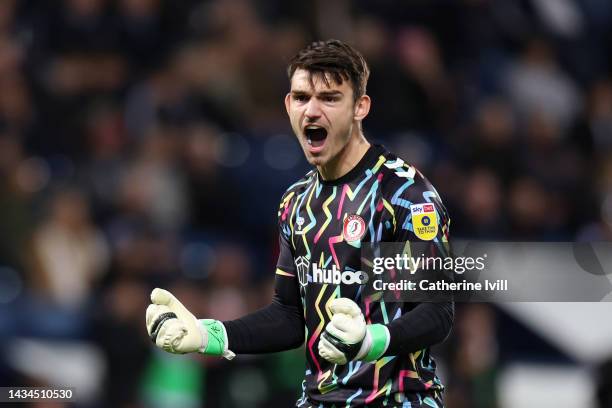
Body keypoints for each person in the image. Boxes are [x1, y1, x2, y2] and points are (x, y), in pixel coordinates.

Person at [146, 39, 454, 407]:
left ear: (360, 107)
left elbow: (435, 311)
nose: (312, 110)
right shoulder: (296, 203)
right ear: (288, 104)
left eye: (329, 98)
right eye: (302, 97)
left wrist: (372, 340)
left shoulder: (403, 195)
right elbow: (290, 316)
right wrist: (208, 334)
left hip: (398, 400)